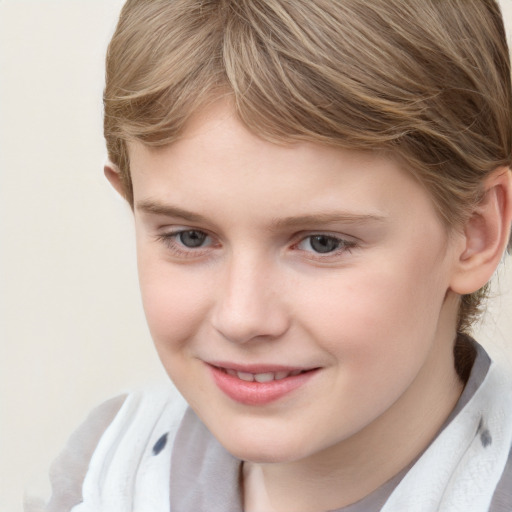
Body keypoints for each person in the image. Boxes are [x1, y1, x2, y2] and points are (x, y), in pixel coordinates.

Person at [43, 0, 512, 511]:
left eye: (322, 243)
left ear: (475, 233)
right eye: (190, 237)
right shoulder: (108, 475)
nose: (242, 318)